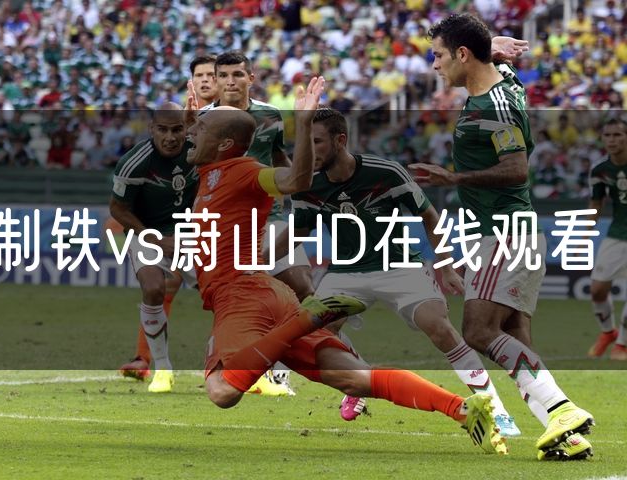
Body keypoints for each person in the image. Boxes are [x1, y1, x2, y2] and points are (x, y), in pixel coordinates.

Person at [186, 82, 506, 456]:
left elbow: (294, 181)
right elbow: (200, 151)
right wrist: (196, 119)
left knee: (223, 391)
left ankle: (306, 319)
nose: (191, 133)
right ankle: (464, 409)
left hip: (246, 294)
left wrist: (302, 124)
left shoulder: (245, 171)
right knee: (354, 379)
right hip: (272, 290)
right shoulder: (212, 171)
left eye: (199, 129)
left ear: (225, 143)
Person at [409, 13, 594, 461]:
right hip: (510, 232)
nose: (434, 65)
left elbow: (516, 168)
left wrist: (453, 178)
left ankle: (563, 409)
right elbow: (501, 68)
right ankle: (566, 435)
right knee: (513, 336)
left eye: (438, 55)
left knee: (478, 330)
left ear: (462, 54)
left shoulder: (493, 106)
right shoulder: (502, 86)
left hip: (503, 232)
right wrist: (495, 48)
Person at [274, 107, 520, 437]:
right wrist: (256, 263)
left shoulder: (385, 172)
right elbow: (298, 233)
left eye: (316, 141)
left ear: (340, 140)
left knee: (439, 327)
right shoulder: (307, 185)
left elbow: (429, 217)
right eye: (305, 142)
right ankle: (360, 381)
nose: (308, 150)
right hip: (345, 272)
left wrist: (446, 267)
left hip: (400, 266)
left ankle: (495, 409)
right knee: (319, 332)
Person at [195, 51, 316, 395]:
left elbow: (278, 157)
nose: (230, 82)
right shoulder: (204, 120)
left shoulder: (270, 116)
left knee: (301, 285)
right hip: (225, 222)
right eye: (222, 75)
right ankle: (242, 361)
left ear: (251, 78)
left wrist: (301, 187)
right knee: (235, 295)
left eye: (237, 74)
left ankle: (280, 370)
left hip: (269, 213)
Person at [110, 103, 198, 393]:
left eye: (177, 130)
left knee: (221, 295)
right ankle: (162, 369)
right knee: (153, 288)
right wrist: (156, 239)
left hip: (193, 232)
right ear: (152, 129)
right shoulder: (135, 162)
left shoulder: (199, 151)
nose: (170, 137)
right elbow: (118, 209)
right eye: (163, 130)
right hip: (147, 232)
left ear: (186, 129)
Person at [586, 116, 627, 361]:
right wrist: (583, 236)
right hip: (617, 232)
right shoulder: (600, 170)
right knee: (597, 290)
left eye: (618, 135)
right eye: (608, 135)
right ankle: (608, 332)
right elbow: (596, 204)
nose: (612, 140)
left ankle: (622, 345)